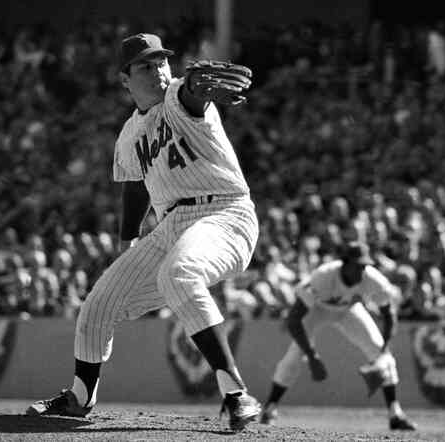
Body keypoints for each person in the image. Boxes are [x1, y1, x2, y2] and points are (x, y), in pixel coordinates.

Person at [26, 33, 262, 431]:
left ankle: (236, 393)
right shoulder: (128, 136)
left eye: (161, 62)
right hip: (170, 225)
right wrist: (127, 243)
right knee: (99, 303)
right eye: (145, 66)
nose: (157, 71)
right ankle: (80, 397)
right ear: (125, 80)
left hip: (225, 213)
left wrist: (192, 88)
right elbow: (135, 189)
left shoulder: (175, 97)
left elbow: (190, 96)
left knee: (178, 274)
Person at [260, 241, 417, 431]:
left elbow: (389, 316)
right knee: (294, 356)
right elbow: (294, 321)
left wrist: (383, 353)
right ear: (345, 262)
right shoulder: (324, 276)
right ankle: (270, 408)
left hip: (348, 310)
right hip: (317, 309)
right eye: (357, 265)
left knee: (381, 353)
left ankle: (395, 414)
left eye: (364, 265)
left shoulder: (373, 279)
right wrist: (312, 357)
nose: (361, 270)